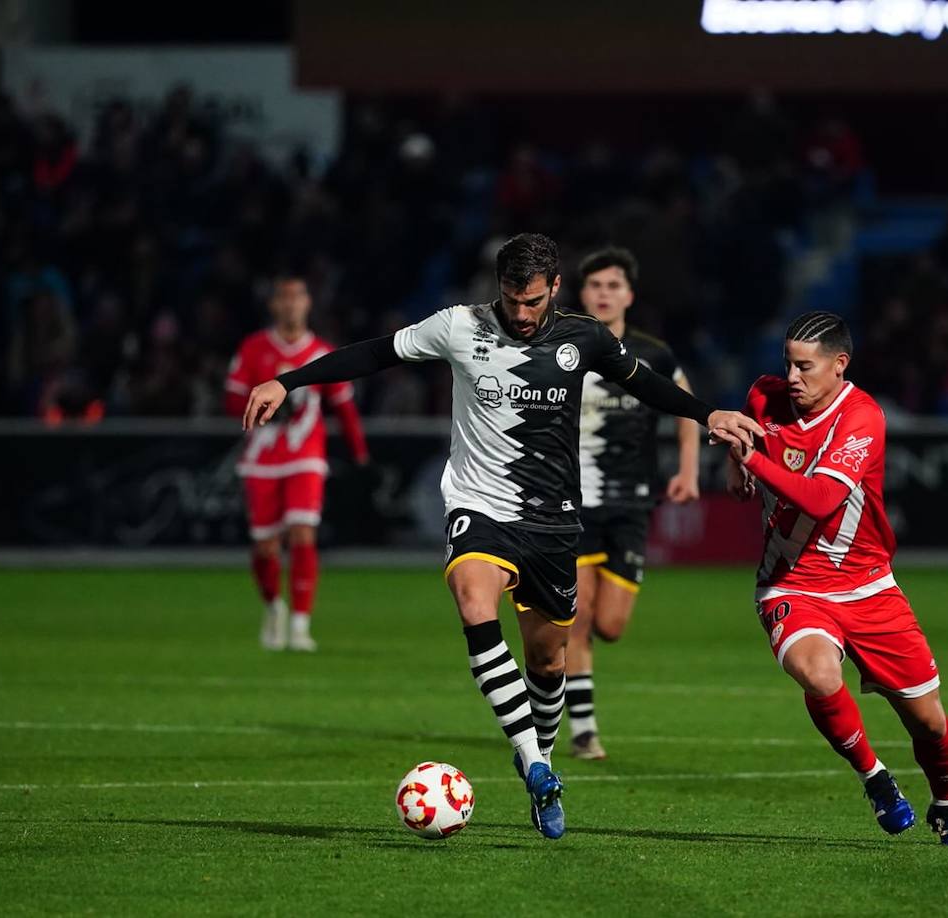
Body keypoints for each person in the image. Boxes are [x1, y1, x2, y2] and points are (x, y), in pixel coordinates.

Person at [241, 233, 762, 839]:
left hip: (554, 519)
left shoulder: (584, 336)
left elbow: (643, 381)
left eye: (532, 302)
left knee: (548, 661)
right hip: (479, 505)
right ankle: (539, 766)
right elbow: (374, 354)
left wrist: (709, 414)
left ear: (555, 290)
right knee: (472, 601)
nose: (519, 314)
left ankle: (533, 754)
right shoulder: (458, 326)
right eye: (511, 300)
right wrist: (290, 381)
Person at [716, 311, 948, 848]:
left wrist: (752, 461)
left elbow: (821, 498)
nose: (792, 376)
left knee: (929, 723)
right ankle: (876, 779)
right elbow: (745, 434)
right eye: (788, 362)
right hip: (790, 583)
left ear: (840, 365)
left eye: (806, 366)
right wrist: (735, 466)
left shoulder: (861, 418)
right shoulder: (764, 396)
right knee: (818, 674)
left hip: (868, 586)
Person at [566, 247, 699, 761]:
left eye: (613, 285)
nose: (603, 293)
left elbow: (686, 406)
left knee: (611, 626)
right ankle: (583, 731)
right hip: (568, 503)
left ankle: (566, 691)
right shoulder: (560, 347)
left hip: (630, 506)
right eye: (595, 285)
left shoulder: (654, 354)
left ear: (629, 295)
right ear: (582, 294)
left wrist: (687, 470)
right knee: (574, 619)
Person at [224, 275, 369, 652]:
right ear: (273, 305)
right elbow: (231, 401)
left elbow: (344, 406)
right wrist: (264, 410)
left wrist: (359, 452)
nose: (291, 304)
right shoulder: (254, 348)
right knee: (265, 545)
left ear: (308, 304)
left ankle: (302, 624)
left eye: (298, 297)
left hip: (306, 456)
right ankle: (274, 607)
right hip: (262, 457)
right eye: (284, 298)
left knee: (303, 533)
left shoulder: (322, 352)